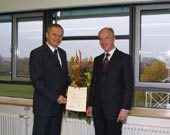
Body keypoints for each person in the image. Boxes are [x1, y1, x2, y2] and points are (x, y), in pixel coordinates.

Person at [29, 24, 77, 135]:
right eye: (54, 35)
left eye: (60, 36)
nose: (57, 38)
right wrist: (55, 97)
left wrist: (70, 83)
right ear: (47, 35)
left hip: (58, 108)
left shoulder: (62, 53)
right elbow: (37, 82)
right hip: (44, 108)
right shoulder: (37, 53)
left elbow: (64, 75)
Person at [86, 27, 134, 135]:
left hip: (115, 111)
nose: (103, 42)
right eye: (101, 39)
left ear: (114, 39)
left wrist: (125, 108)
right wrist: (90, 104)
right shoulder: (97, 60)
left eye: (106, 38)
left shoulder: (125, 59)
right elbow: (94, 84)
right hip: (98, 111)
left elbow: (128, 85)